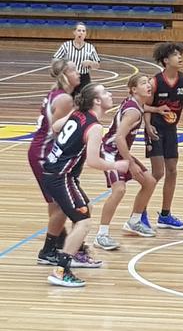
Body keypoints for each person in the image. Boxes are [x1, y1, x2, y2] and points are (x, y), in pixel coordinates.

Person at [43, 83, 129, 287]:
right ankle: (61, 270)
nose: (111, 94)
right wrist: (116, 164)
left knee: (86, 208)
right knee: (84, 221)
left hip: (57, 172)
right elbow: (93, 161)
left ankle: (78, 252)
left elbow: (55, 127)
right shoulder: (95, 126)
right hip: (61, 175)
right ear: (97, 101)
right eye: (106, 92)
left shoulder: (79, 114)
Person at [94, 74, 158, 251]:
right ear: (134, 89)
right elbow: (120, 137)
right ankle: (101, 235)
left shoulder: (136, 103)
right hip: (110, 151)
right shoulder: (133, 111)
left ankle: (134, 221)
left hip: (121, 151)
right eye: (143, 83)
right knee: (119, 189)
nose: (148, 85)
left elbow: (144, 107)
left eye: (148, 82)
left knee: (150, 182)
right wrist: (130, 163)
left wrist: (157, 110)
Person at [144, 42, 183, 230]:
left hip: (171, 130)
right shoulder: (154, 82)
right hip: (155, 129)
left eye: (180, 54)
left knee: (172, 170)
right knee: (158, 172)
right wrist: (147, 125)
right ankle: (140, 212)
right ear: (166, 60)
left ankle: (165, 215)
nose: (180, 57)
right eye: (176, 55)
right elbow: (144, 107)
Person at [31, 59, 77, 265]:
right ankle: (48, 250)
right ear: (65, 75)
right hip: (44, 152)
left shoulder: (58, 95)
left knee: (54, 201)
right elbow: (58, 130)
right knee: (61, 203)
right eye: (74, 70)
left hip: (41, 150)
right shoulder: (65, 99)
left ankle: (60, 240)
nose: (79, 73)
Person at [53, 22, 100, 92]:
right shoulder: (66, 45)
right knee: (68, 98)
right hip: (69, 77)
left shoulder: (90, 47)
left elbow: (97, 65)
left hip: (84, 78)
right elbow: (55, 59)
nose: (81, 33)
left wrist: (90, 63)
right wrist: (63, 67)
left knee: (83, 99)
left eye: (83, 31)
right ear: (74, 32)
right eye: (79, 30)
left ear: (86, 34)